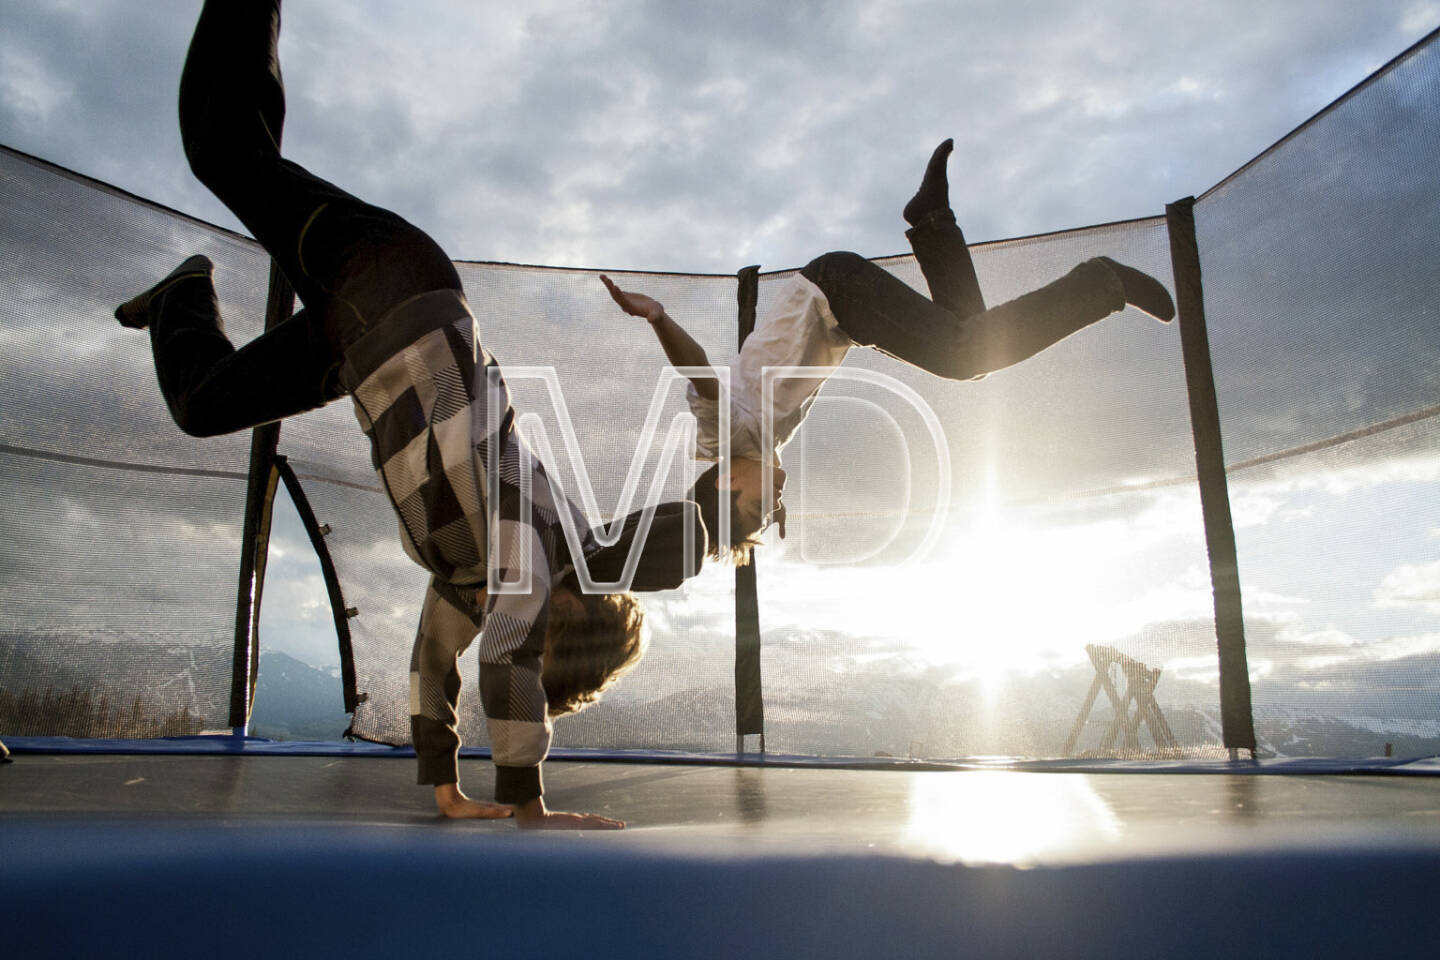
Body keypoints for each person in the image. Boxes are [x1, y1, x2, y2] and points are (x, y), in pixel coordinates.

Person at [114, 0, 702, 829]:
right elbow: (505, 660)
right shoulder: (535, 552)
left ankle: (183, 293)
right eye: (534, 633)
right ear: (566, 607)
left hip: (360, 343)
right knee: (224, 150)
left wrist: (444, 787)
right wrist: (525, 804)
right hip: (393, 282)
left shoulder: (475, 584)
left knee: (204, 404)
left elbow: (438, 664)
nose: (509, 629)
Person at [602, 138, 1176, 559]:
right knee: (968, 341)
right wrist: (753, 518)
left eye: (758, 505)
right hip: (842, 305)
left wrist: (658, 317)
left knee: (963, 354)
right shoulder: (757, 443)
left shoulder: (724, 435)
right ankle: (931, 218)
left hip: (836, 291)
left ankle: (1103, 284)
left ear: (728, 481)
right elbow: (750, 488)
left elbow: (700, 375)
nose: (776, 503)